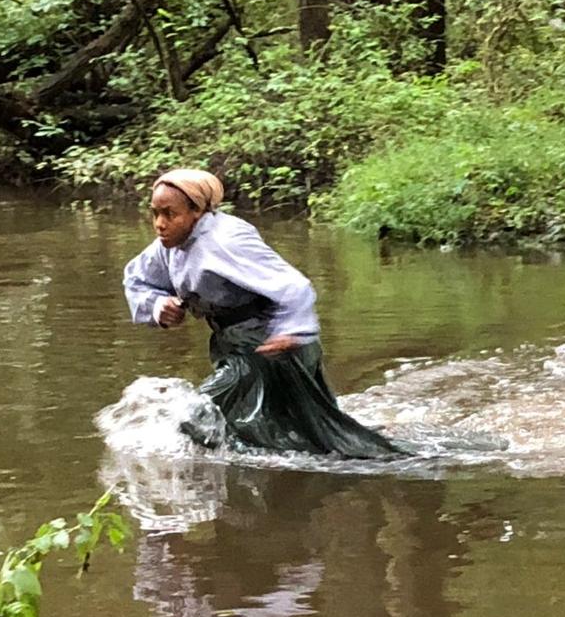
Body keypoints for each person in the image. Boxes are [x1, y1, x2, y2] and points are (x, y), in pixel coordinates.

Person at [122, 168, 400, 458]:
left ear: (197, 211)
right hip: (233, 345)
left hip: (269, 346)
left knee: (196, 417)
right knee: (287, 431)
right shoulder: (169, 246)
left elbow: (295, 287)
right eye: (155, 213)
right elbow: (137, 279)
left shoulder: (227, 239)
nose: (160, 224)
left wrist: (291, 331)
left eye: (169, 214)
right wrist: (157, 306)